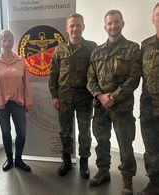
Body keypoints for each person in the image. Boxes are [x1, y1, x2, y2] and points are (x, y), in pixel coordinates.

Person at [87, 10, 141, 195]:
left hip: (122, 108)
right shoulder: (96, 52)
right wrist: (101, 96)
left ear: (122, 24)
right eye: (109, 23)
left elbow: (134, 79)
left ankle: (127, 180)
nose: (113, 26)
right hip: (101, 107)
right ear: (105, 27)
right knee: (101, 142)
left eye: (116, 22)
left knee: (125, 144)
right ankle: (103, 172)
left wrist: (114, 97)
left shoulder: (133, 49)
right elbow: (90, 79)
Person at [48, 13, 97, 178]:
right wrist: (54, 95)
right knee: (65, 131)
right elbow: (53, 73)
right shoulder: (59, 50)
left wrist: (97, 96)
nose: (75, 28)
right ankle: (66, 160)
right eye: (72, 26)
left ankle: (84, 163)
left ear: (83, 27)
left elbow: (96, 74)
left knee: (84, 131)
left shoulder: (92, 47)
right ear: (67, 29)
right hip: (64, 97)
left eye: (78, 25)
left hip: (85, 98)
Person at [0, 29, 32, 172]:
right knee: (6, 132)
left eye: (10, 40)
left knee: (22, 133)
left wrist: (28, 100)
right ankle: (9, 158)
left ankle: (18, 159)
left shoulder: (21, 61)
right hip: (1, 103)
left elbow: (26, 82)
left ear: (13, 41)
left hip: (18, 102)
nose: (7, 43)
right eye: (4, 40)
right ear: (0, 42)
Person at [137, 3, 159, 195]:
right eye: (158, 15)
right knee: (151, 148)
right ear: (153, 19)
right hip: (149, 109)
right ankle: (155, 183)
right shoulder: (145, 45)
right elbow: (137, 75)